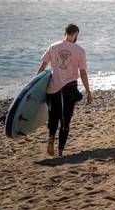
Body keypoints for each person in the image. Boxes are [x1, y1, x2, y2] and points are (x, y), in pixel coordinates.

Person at [37, 24, 92, 157]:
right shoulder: (80, 50)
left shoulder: (53, 46)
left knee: (53, 115)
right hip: (69, 88)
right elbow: (83, 72)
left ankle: (51, 138)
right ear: (75, 34)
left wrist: (34, 86)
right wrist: (88, 91)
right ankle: (60, 151)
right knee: (65, 119)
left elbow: (42, 67)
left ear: (65, 33)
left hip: (52, 87)